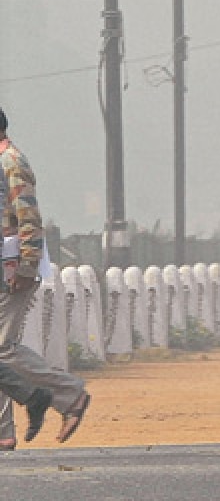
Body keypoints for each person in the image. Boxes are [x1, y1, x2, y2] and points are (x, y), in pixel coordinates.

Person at [0, 107, 90, 446]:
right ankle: (3, 433)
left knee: (3, 350)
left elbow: (29, 217)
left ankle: (69, 395)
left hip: (13, 269)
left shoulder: (11, 161)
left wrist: (26, 266)